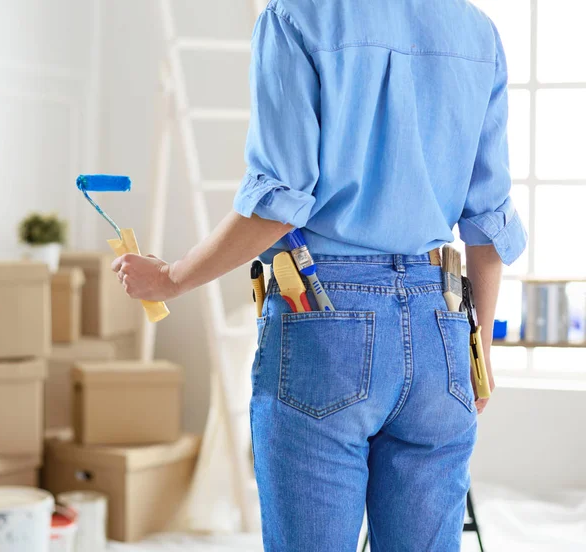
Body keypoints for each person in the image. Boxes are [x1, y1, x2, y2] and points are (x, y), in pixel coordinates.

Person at [112, 0, 527, 549]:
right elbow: (487, 221)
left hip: (326, 318)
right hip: (443, 327)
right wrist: (479, 350)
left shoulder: (297, 16)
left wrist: (170, 278)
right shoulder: (476, 31)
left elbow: (277, 203)